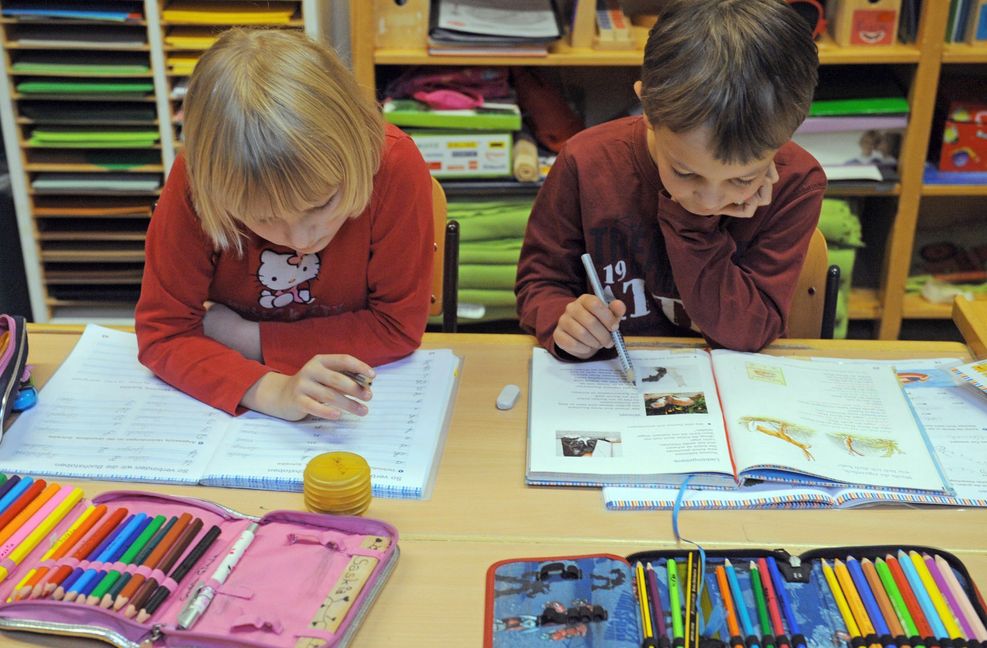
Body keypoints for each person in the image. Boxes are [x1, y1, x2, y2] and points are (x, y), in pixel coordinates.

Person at [135, 29, 434, 421]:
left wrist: (246, 338)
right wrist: (270, 390)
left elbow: (397, 327)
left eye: (322, 204)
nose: (301, 240)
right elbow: (164, 333)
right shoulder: (199, 182)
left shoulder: (394, 166)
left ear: (357, 154)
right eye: (264, 219)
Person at [515, 0, 826, 359]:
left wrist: (694, 228)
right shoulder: (586, 161)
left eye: (743, 179)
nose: (709, 201)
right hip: (609, 376)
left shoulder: (796, 183)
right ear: (647, 108)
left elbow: (749, 332)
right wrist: (564, 322)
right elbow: (541, 283)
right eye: (685, 172)